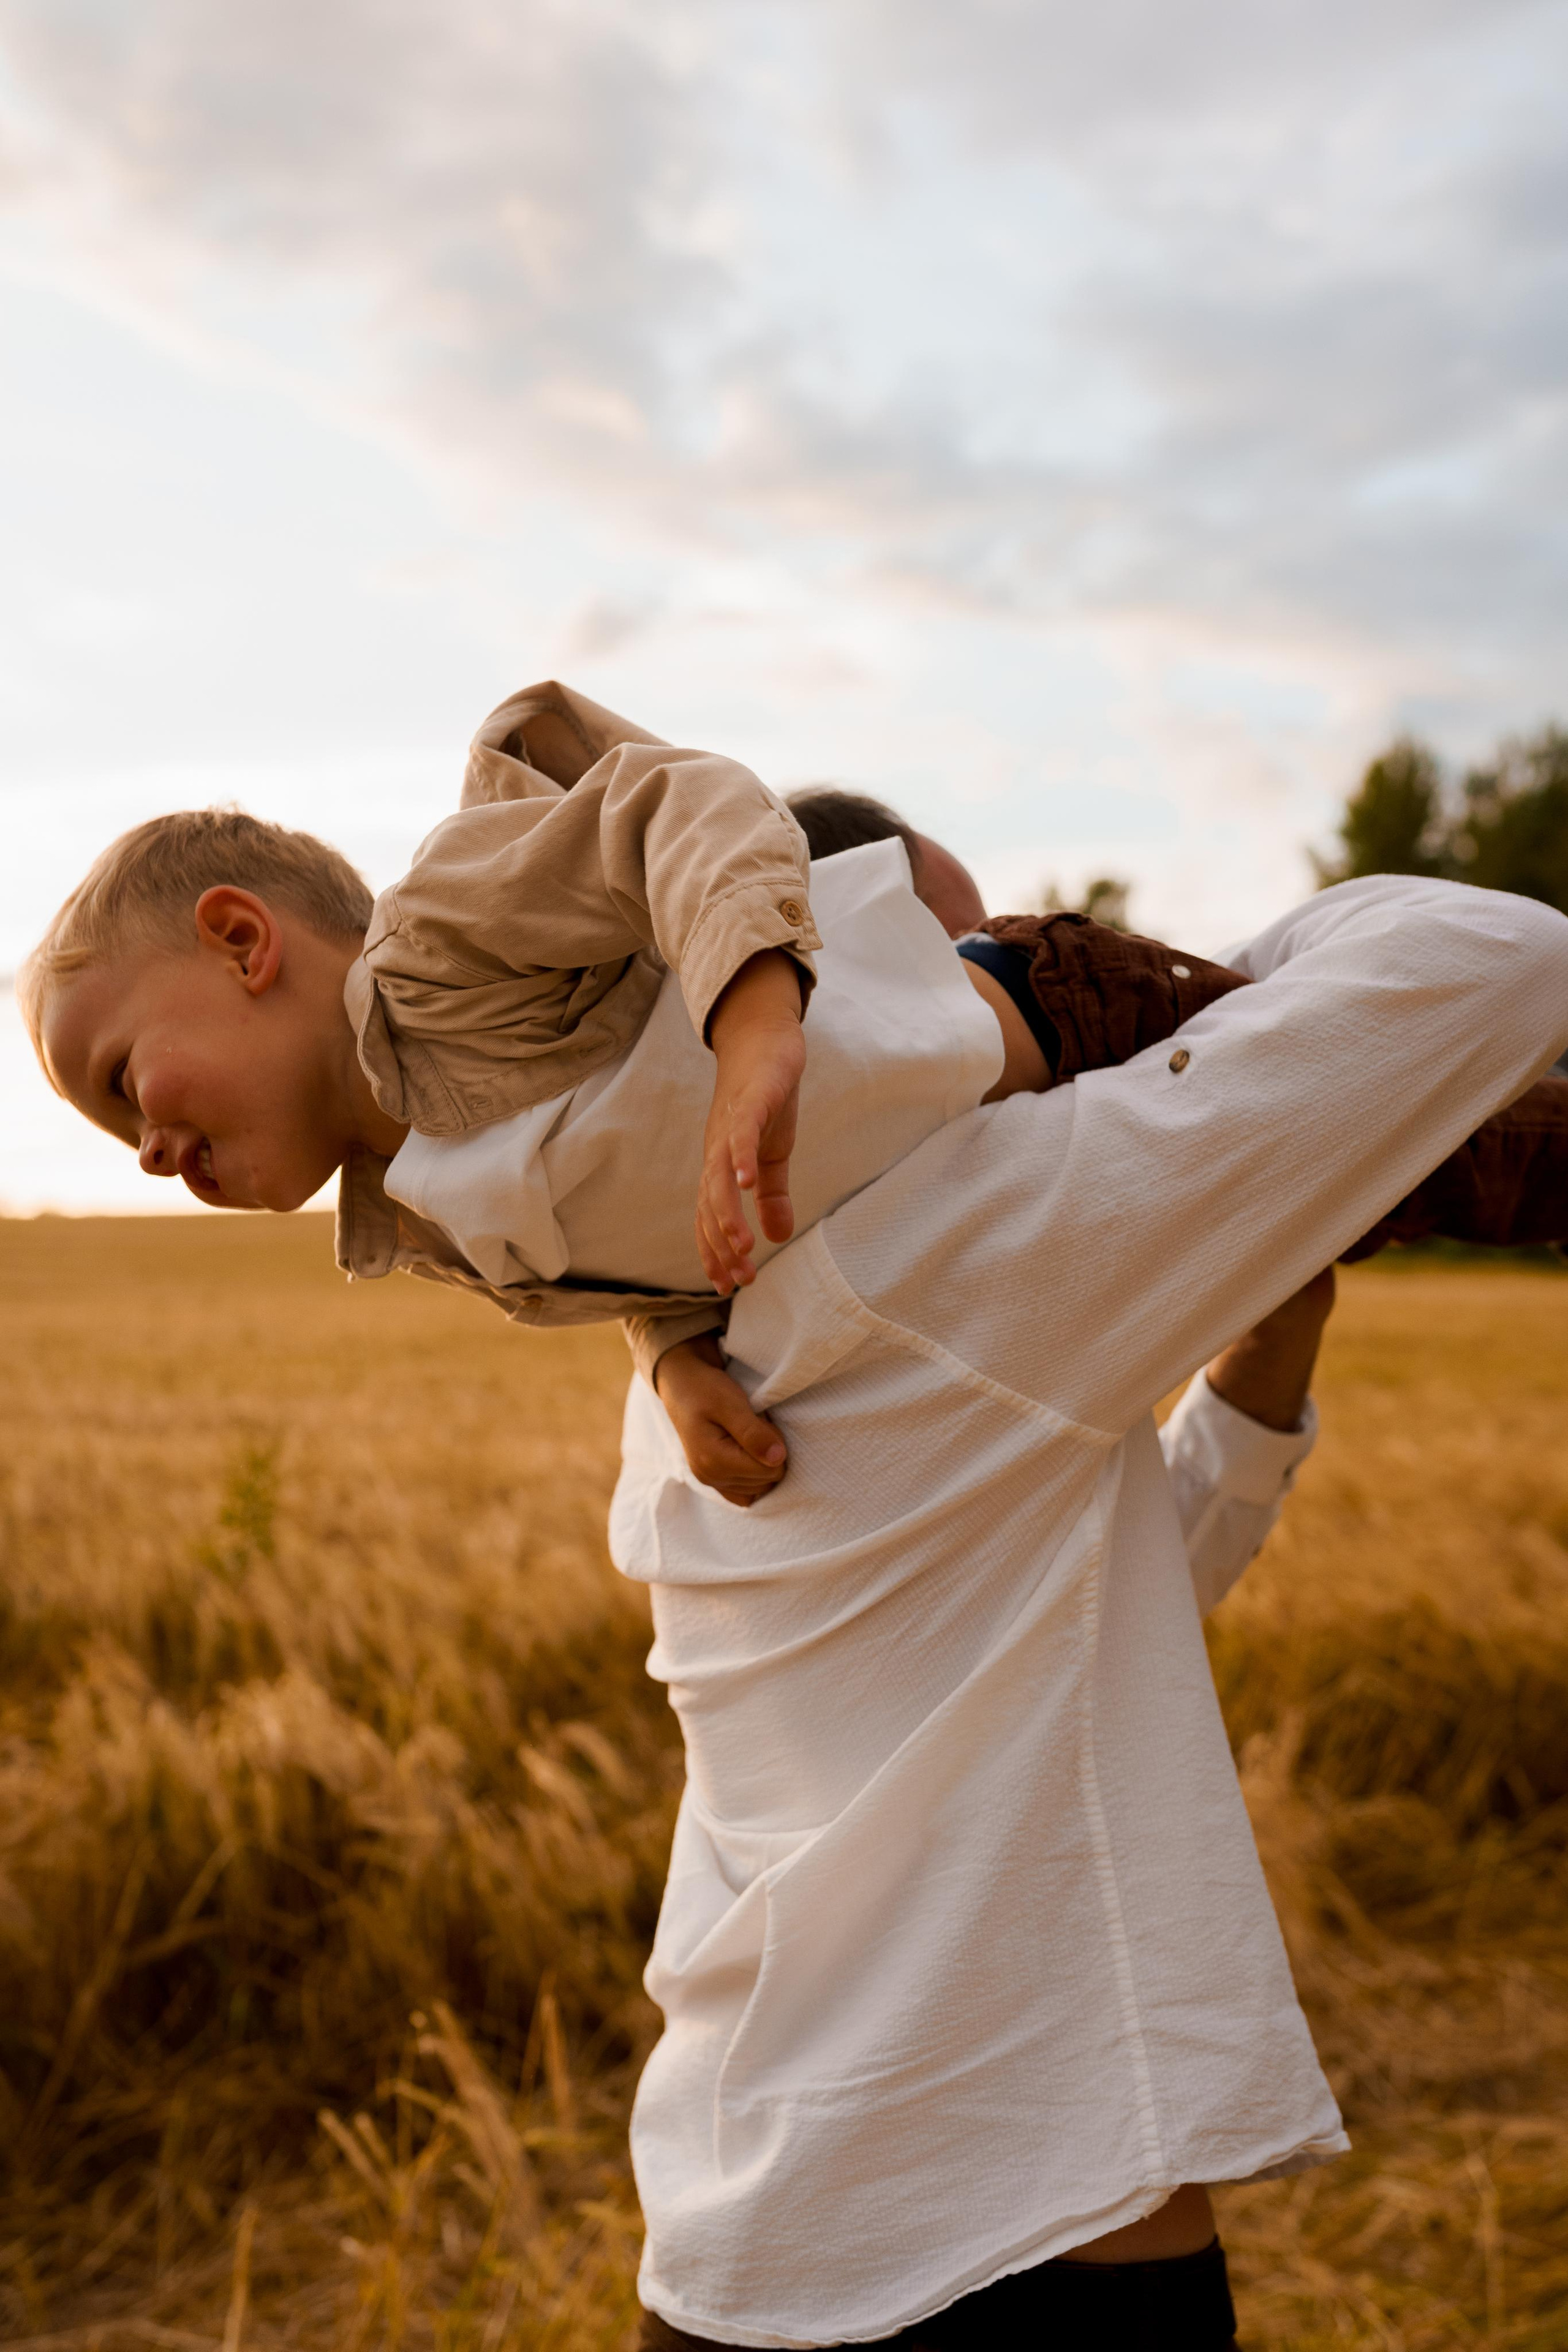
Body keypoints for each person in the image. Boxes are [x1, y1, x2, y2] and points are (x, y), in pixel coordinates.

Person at [20, 679, 1568, 2345]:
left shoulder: (673, 1357)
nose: (995, 1024)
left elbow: (1063, 1605)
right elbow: (1500, 962)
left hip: (739, 2227)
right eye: (949, 953)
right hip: (1035, 2218)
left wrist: (1272, 1316)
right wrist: (1262, 1027)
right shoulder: (968, 1240)